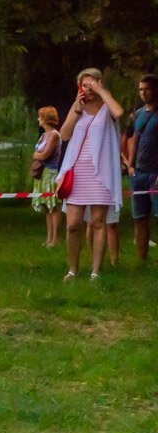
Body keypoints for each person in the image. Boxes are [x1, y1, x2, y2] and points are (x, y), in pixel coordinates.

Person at [57, 68, 124, 281]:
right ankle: (73, 269)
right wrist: (76, 110)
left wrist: (102, 91)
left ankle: (95, 271)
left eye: (92, 84)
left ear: (100, 83)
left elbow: (119, 112)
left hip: (101, 172)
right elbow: (65, 135)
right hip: (78, 171)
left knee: (97, 221)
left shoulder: (107, 105)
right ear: (79, 87)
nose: (89, 89)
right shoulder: (78, 107)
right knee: (73, 224)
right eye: (85, 85)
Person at [125, 73, 158, 260]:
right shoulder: (138, 114)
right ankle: (142, 260)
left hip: (155, 172)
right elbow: (135, 140)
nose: (143, 93)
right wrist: (130, 165)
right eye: (140, 89)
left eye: (146, 89)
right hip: (138, 172)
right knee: (139, 216)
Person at [31, 106, 63, 248]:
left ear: (46, 118)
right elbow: (38, 153)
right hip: (42, 174)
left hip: (50, 173)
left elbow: (44, 154)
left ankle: (55, 238)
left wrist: (37, 155)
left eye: (40, 116)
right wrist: (38, 155)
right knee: (45, 206)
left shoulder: (54, 135)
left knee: (53, 206)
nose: (38, 119)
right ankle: (48, 237)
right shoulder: (43, 135)